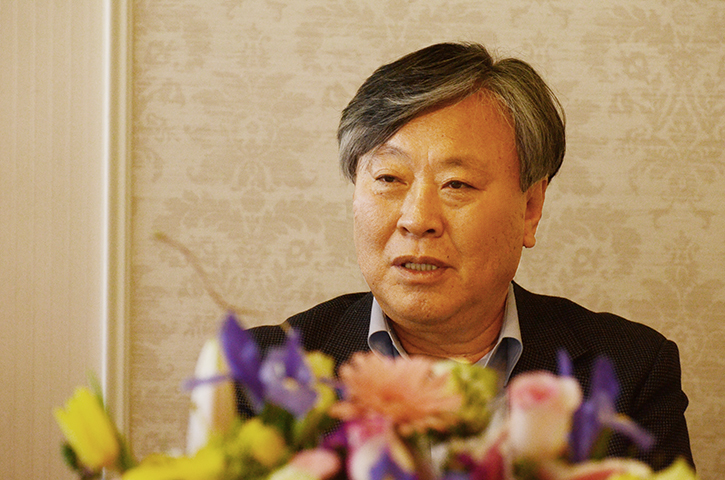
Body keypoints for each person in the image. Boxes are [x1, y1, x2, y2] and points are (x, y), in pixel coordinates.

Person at [245, 42, 693, 470]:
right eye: (388, 178)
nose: (417, 219)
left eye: (456, 184)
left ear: (530, 208)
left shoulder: (630, 370)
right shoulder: (264, 372)